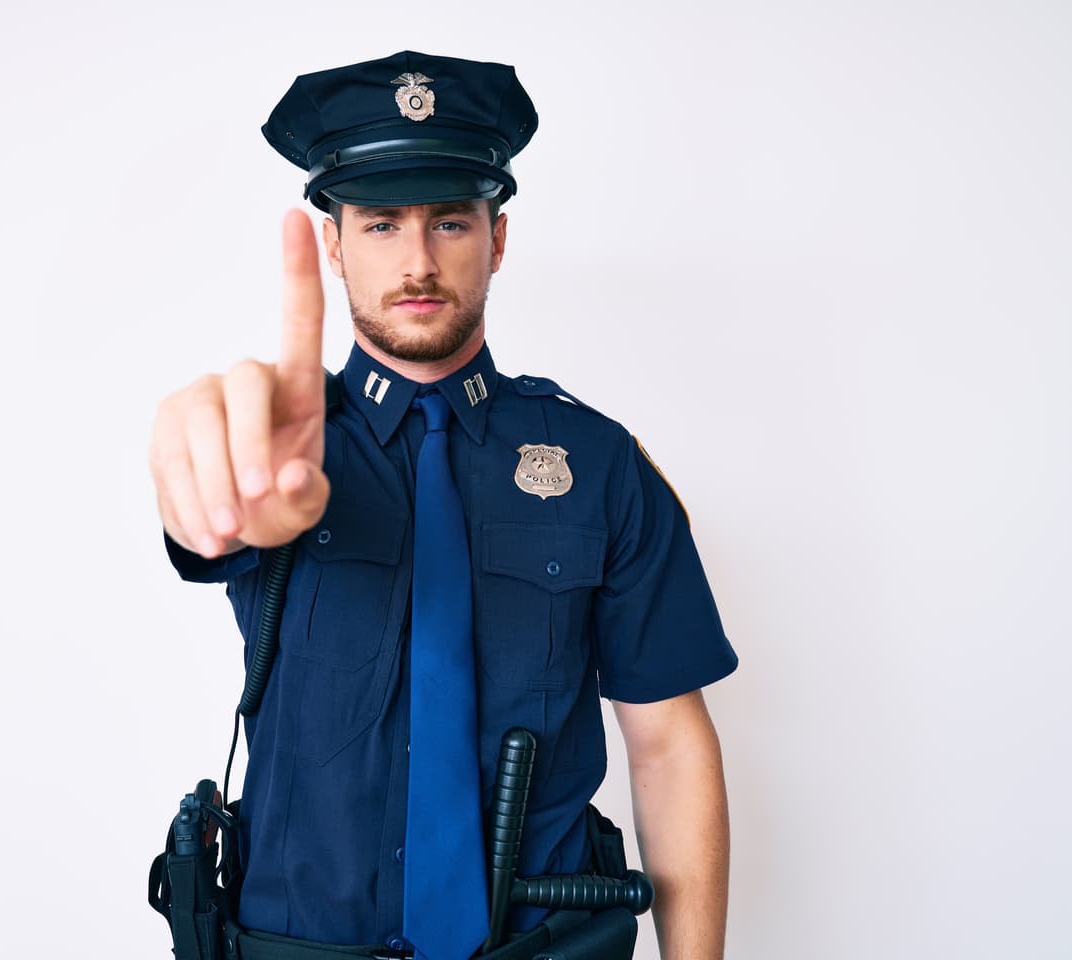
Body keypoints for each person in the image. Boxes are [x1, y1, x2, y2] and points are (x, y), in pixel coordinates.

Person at [149, 51, 738, 960]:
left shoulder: (598, 462)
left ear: (497, 239)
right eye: (381, 223)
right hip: (296, 945)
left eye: (451, 222)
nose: (417, 262)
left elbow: (667, 743)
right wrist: (208, 482)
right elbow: (208, 513)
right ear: (335, 246)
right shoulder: (274, 445)